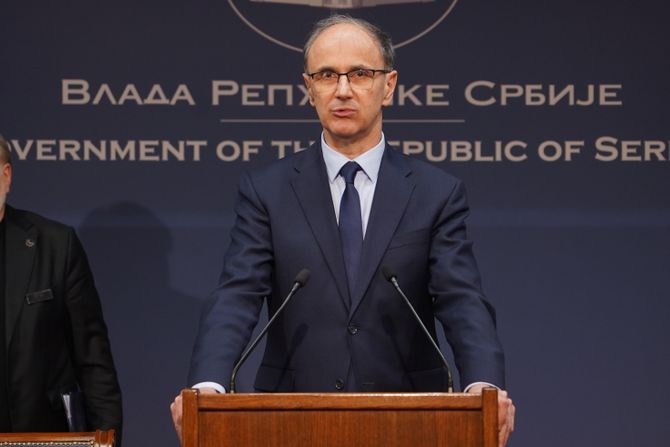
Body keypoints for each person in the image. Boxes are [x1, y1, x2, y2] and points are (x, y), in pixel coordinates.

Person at [171, 15, 514, 446]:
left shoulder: (435, 193)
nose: (343, 89)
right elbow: (237, 294)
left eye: (360, 74)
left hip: (410, 418)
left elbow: (461, 300)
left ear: (388, 86)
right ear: (309, 88)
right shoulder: (267, 190)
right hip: (291, 418)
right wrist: (207, 386)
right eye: (327, 75)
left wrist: (484, 385)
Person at [0, 135, 123, 439]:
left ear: (6, 176)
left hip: (40, 437)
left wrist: (105, 440)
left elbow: (93, 359)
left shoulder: (55, 245)